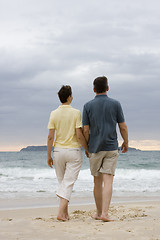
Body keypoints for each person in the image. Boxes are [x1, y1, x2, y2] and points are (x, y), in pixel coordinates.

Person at [82, 76, 128, 222]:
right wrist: (126, 141)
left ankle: (98, 212)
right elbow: (122, 126)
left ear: (94, 89)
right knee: (108, 181)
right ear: (107, 88)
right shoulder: (115, 104)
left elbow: (85, 129)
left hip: (95, 148)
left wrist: (87, 146)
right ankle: (105, 214)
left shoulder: (87, 106)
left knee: (97, 182)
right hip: (111, 147)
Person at [47, 85, 88, 221]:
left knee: (63, 183)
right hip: (73, 151)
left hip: (58, 151)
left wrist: (48, 155)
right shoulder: (76, 113)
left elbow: (50, 137)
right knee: (68, 183)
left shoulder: (54, 113)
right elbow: (79, 134)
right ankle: (60, 213)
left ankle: (65, 214)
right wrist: (86, 148)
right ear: (70, 97)